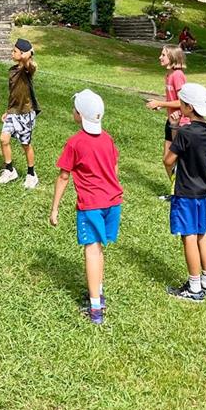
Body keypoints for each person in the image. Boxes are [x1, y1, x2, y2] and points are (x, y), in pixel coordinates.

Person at [50, 89, 122, 325]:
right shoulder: (108, 139)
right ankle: (97, 293)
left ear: (79, 115)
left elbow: (63, 176)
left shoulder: (76, 142)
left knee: (91, 250)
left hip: (91, 204)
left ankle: (95, 308)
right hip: (113, 202)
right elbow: (115, 167)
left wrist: (55, 208)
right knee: (99, 248)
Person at [163, 83, 206, 302]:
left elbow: (168, 160)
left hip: (185, 191)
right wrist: (178, 129)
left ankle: (194, 288)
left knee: (189, 237)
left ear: (188, 107)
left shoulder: (185, 133)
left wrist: (173, 128)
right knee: (202, 234)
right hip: (203, 190)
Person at [0, 38, 42, 189]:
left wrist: (27, 56)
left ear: (23, 54)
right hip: (13, 113)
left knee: (25, 144)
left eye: (15, 51)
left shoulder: (26, 71)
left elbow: (31, 66)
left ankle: (31, 174)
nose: (12, 53)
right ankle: (10, 170)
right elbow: (13, 95)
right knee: (4, 139)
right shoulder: (12, 71)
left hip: (25, 114)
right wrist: (7, 111)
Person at [145, 45, 189, 200]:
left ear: (172, 57)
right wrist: (161, 105)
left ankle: (179, 194)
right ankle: (177, 191)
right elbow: (173, 100)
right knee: (167, 160)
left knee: (176, 161)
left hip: (181, 123)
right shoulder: (168, 75)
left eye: (163, 54)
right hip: (170, 121)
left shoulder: (177, 75)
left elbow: (184, 101)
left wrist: (161, 103)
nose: (160, 57)